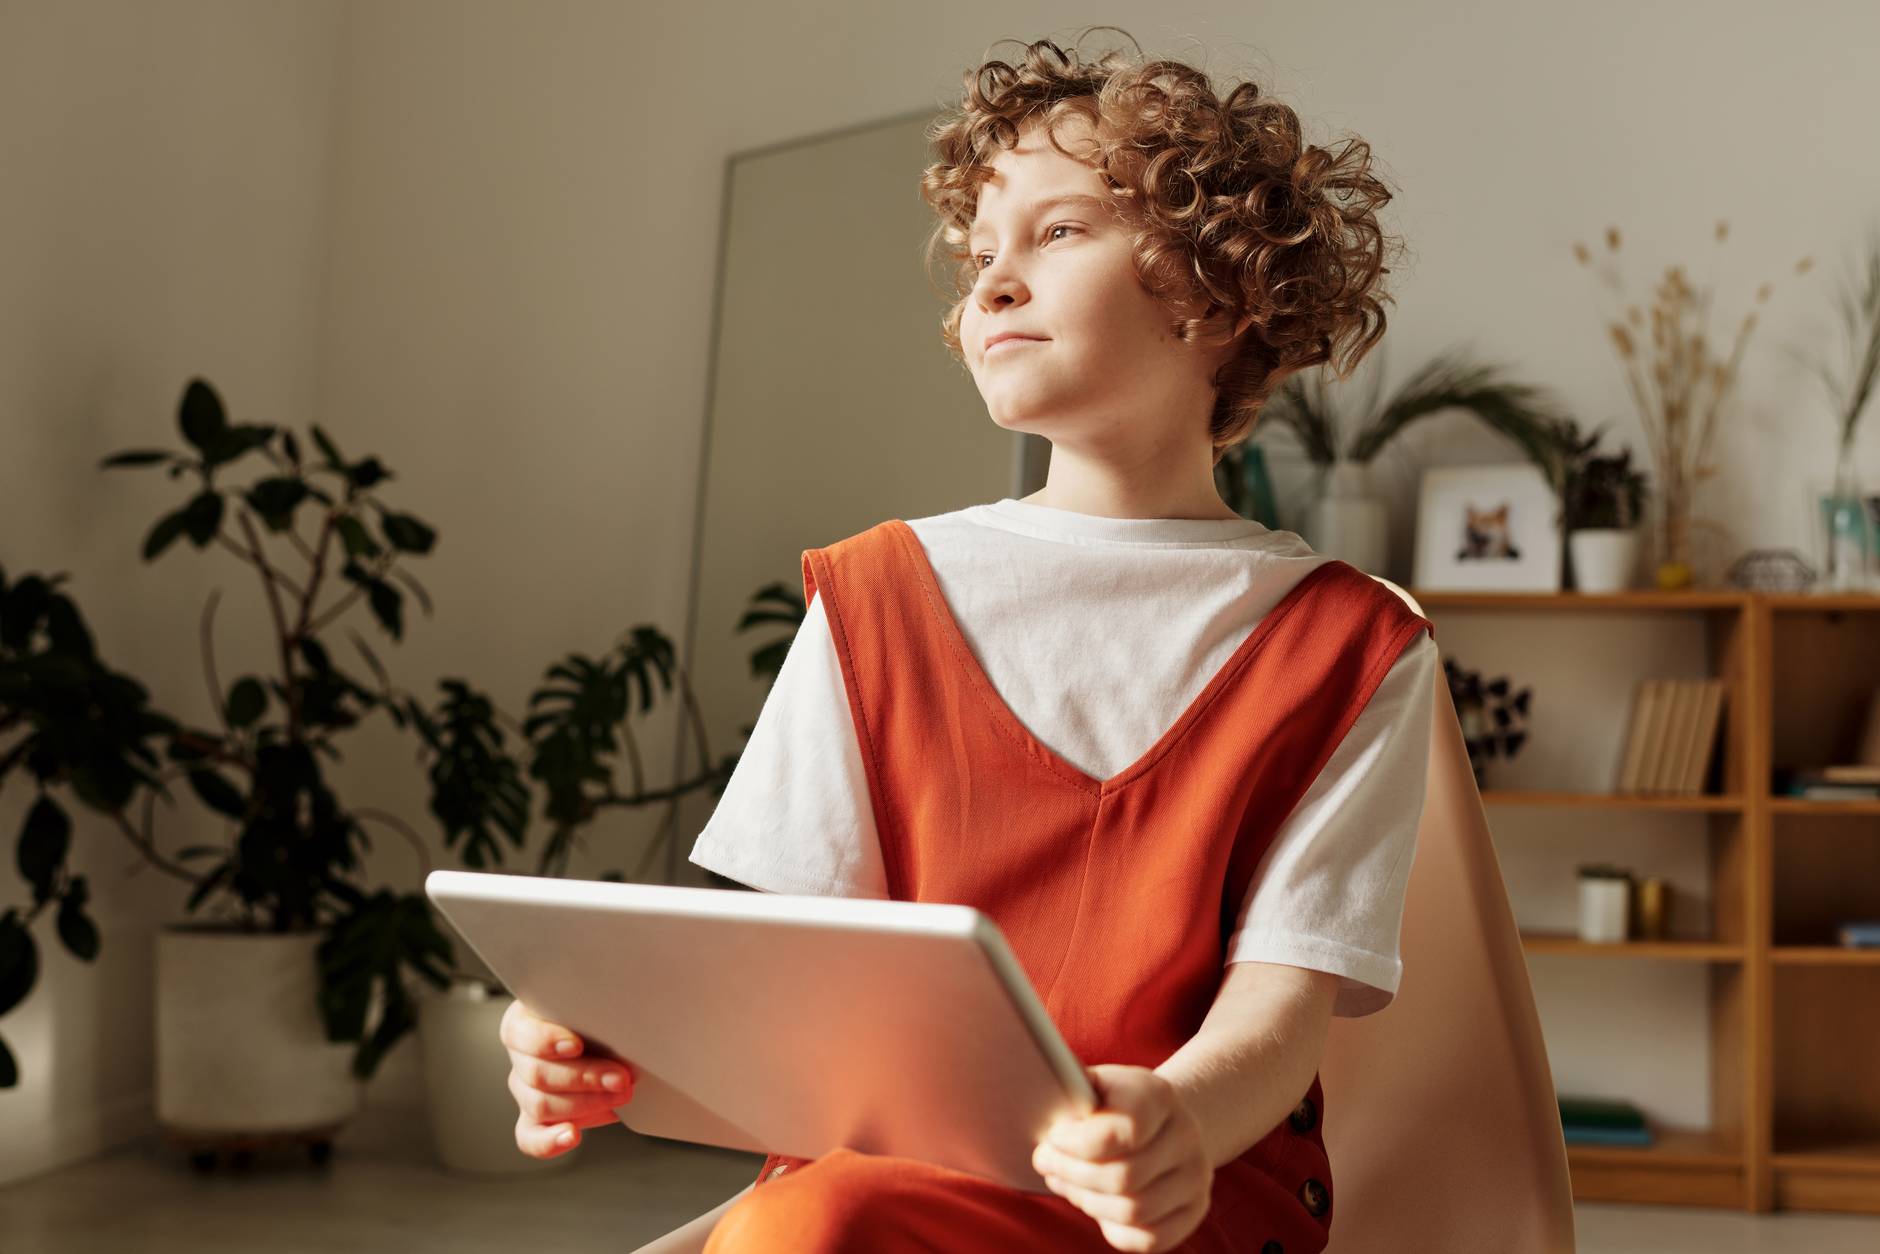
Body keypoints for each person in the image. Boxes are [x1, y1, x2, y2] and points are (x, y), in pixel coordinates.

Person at [502, 27, 1436, 1254]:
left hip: (1173, 1199)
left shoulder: (1351, 645)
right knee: (817, 1217)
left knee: (814, 1225)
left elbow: (1279, 1009)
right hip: (879, 1184)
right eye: (979, 253)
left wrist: (1174, 1120)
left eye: (1059, 231)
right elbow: (793, 986)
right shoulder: (872, 595)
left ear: (1219, 293)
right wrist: (602, 1047)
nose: (991, 283)